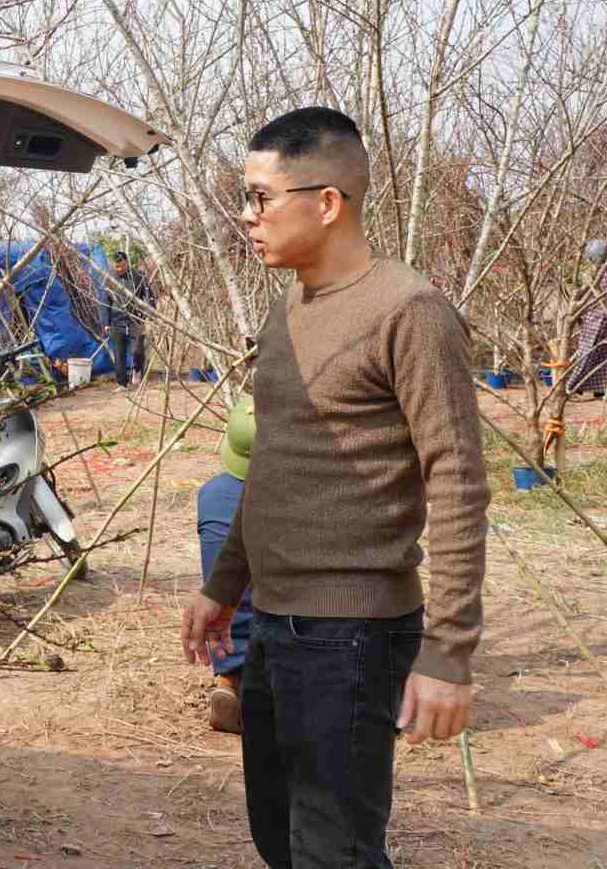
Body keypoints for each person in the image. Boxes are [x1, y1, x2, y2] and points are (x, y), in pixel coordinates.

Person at [179, 107, 489, 869]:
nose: (246, 217)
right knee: (278, 834)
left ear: (326, 202)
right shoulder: (287, 311)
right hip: (274, 620)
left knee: (334, 851)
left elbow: (457, 479)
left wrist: (449, 652)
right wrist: (225, 583)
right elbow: (274, 463)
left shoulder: (408, 311)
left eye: (261, 197)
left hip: (351, 634)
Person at [198, 393, 255, 735]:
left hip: (222, 629)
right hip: (276, 631)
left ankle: (228, 677)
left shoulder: (210, 493)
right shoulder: (291, 500)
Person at [567, 239, 607, 400]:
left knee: (601, 355)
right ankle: (574, 386)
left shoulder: (599, 274)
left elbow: (606, 299)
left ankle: (599, 389)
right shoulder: (596, 274)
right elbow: (602, 299)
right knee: (589, 354)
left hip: (599, 320)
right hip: (596, 320)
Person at [102, 250, 155, 388]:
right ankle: (122, 384)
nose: (119, 268)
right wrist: (106, 322)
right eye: (117, 266)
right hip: (116, 321)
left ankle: (137, 370)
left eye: (122, 265)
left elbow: (149, 296)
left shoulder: (137, 276)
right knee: (119, 354)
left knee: (138, 350)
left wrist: (150, 314)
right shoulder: (110, 279)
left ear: (127, 263)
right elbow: (105, 301)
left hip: (135, 320)